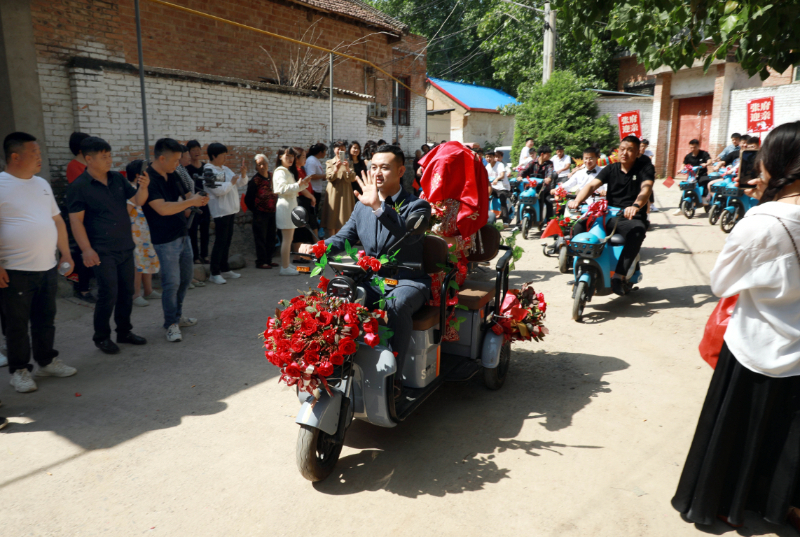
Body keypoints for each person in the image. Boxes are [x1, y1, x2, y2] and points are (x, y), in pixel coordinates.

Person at [672, 121, 800, 531]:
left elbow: (722, 283)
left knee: (735, 432)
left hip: (755, 346)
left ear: (776, 162)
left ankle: (723, 504)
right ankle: (780, 506)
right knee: (786, 435)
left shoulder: (763, 222)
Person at [299, 144, 431, 400]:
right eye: (373, 167)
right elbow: (344, 237)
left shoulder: (417, 205)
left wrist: (379, 207)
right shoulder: (362, 206)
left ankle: (394, 378)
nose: (377, 172)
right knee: (337, 296)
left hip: (407, 280)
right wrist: (317, 248)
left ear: (400, 171)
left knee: (396, 304)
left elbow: (408, 233)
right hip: (373, 279)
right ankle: (333, 367)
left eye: (385, 167)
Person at [1, 132, 77, 392]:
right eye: (34, 153)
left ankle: (46, 361)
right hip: (14, 270)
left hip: (46, 266)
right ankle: (19, 371)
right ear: (15, 156)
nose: (39, 157)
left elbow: (57, 221)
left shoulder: (42, 184)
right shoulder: (1, 184)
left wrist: (65, 253)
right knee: (17, 324)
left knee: (46, 318)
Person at [67, 136, 149, 355]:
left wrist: (144, 187)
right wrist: (86, 249)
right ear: (89, 159)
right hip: (101, 249)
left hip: (124, 245)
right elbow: (76, 221)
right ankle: (101, 337)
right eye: (104, 157)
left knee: (126, 291)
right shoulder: (79, 186)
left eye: (110, 155)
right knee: (108, 293)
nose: (109, 160)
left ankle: (124, 331)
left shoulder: (117, 179)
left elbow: (137, 201)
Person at [568, 136, 654, 296]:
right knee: (579, 226)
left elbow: (646, 189)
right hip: (608, 213)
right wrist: (577, 200)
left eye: (630, 150)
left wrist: (635, 206)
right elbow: (592, 185)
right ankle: (580, 268)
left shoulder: (645, 168)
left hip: (630, 216)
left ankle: (619, 277)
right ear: (618, 151)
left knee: (637, 232)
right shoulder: (611, 168)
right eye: (622, 149)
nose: (625, 153)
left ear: (637, 153)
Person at [142, 138, 209, 343]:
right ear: (162, 158)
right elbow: (162, 208)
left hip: (182, 233)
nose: (178, 163)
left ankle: (177, 317)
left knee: (185, 279)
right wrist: (190, 202)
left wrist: (199, 198)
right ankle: (170, 323)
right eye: (175, 160)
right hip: (164, 239)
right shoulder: (148, 179)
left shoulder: (173, 174)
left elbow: (187, 195)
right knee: (171, 283)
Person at [204, 142, 248, 285]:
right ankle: (214, 272)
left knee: (227, 240)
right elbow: (218, 190)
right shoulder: (209, 171)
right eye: (222, 155)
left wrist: (242, 174)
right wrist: (232, 183)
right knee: (220, 241)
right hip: (221, 211)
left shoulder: (225, 169)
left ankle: (224, 268)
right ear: (213, 156)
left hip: (231, 210)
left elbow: (239, 183)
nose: (225, 158)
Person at [65, 132, 96, 303]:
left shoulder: (90, 164)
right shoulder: (73, 166)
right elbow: (82, 189)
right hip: (81, 214)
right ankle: (82, 289)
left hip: (94, 213)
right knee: (83, 250)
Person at [125, 160, 161, 307]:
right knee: (137, 264)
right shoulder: (131, 190)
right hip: (134, 234)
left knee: (147, 259)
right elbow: (126, 213)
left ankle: (148, 290)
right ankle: (135, 294)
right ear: (138, 175)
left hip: (146, 233)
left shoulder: (145, 189)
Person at [274, 147, 311, 275]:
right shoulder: (280, 171)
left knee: (289, 239)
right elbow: (282, 189)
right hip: (285, 206)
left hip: (290, 206)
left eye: (292, 157)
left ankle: (287, 264)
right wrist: (297, 185)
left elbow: (293, 189)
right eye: (287, 156)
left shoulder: (287, 171)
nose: (290, 159)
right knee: (286, 239)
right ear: (280, 157)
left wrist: (303, 184)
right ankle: (284, 268)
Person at [244, 154, 279, 269]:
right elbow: (248, 199)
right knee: (261, 238)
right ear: (256, 167)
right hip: (260, 213)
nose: (262, 166)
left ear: (268, 164)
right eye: (259, 165)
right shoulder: (255, 180)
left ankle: (269, 260)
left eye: (264, 163)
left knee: (271, 237)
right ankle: (261, 261)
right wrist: (256, 210)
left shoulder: (272, 176)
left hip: (272, 212)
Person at [323, 140, 357, 235]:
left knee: (343, 217)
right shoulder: (330, 162)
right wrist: (336, 169)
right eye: (338, 148)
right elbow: (329, 177)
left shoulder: (349, 162)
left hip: (346, 192)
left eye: (342, 148)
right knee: (332, 217)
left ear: (345, 150)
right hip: (333, 192)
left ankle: (340, 240)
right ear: (334, 150)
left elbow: (353, 178)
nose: (340, 150)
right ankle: (332, 240)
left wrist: (347, 168)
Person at [185, 140, 210, 264]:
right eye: (193, 150)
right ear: (188, 152)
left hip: (204, 202)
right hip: (192, 203)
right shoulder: (186, 169)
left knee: (205, 229)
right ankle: (195, 256)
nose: (196, 152)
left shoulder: (206, 167)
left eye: (198, 149)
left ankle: (204, 255)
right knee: (193, 230)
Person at [291, 146, 318, 256]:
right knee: (300, 228)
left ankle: (308, 252)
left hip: (306, 200)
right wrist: (311, 197)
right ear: (296, 158)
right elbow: (301, 188)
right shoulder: (295, 171)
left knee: (309, 226)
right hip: (300, 200)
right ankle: (298, 256)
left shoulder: (301, 169)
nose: (305, 159)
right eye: (303, 157)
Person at [520, 145, 557, 219]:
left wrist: (548, 178)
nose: (550, 156)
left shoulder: (549, 163)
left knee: (549, 202)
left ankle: (549, 222)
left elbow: (550, 172)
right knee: (521, 202)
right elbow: (524, 171)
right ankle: (519, 223)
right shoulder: (532, 162)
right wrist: (520, 176)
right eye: (548, 154)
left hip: (544, 189)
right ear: (542, 154)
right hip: (531, 189)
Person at [304, 143, 327, 230]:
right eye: (325, 151)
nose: (325, 153)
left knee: (315, 212)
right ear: (320, 152)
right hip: (312, 190)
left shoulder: (316, 160)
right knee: (312, 213)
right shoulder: (311, 161)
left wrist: (323, 177)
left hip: (317, 190)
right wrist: (324, 176)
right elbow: (311, 175)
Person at [487, 151, 510, 224]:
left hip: (502, 187)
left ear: (494, 157)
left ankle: (505, 221)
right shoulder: (487, 166)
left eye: (490, 157)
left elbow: (502, 175)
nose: (488, 158)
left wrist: (496, 179)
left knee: (503, 201)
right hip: (493, 187)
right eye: (487, 157)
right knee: (484, 197)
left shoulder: (500, 165)